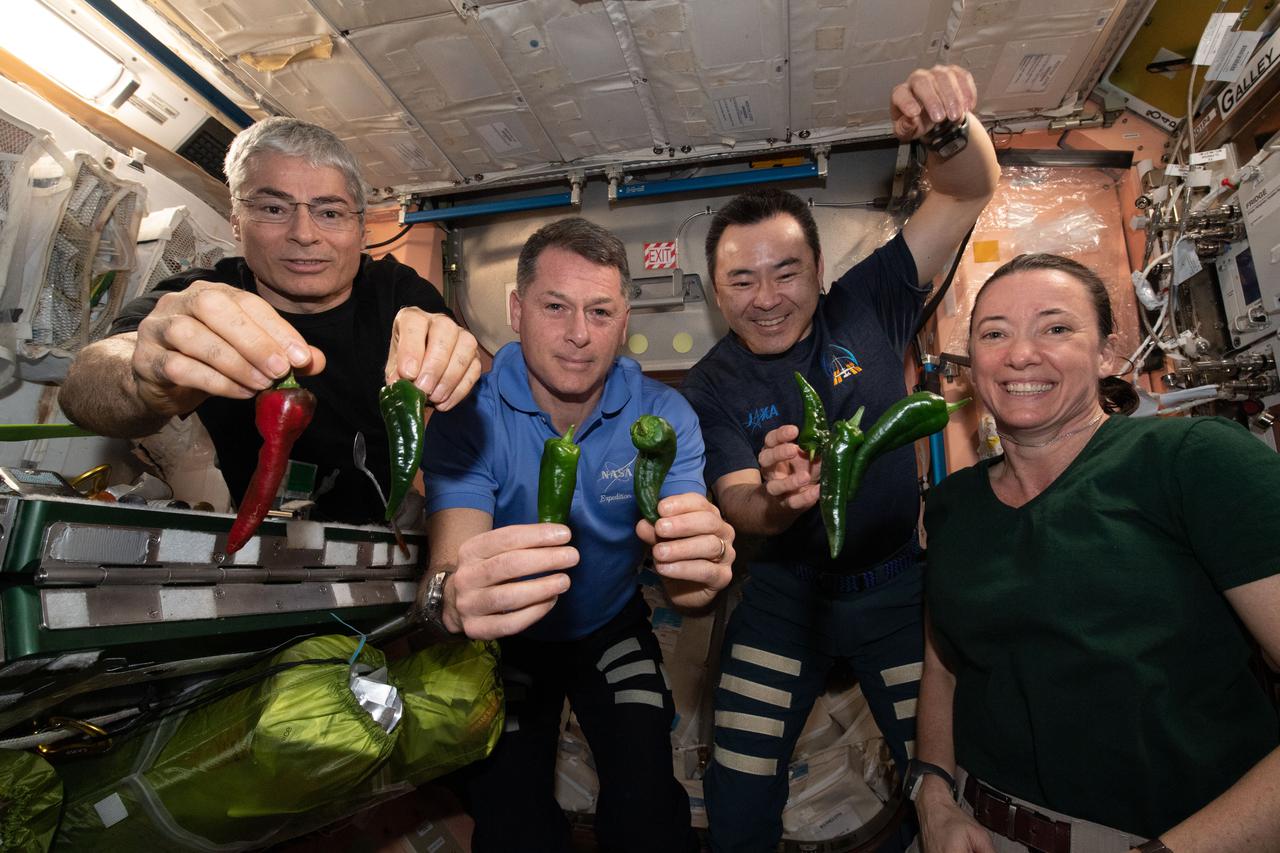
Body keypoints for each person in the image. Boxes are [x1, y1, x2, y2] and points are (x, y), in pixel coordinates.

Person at [680, 65, 1000, 852]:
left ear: (818, 273)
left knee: (948, 781)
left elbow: (965, 193)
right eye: (742, 280)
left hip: (899, 592)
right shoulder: (710, 383)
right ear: (718, 294)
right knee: (738, 791)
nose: (767, 296)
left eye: (786, 271)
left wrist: (947, 130)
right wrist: (779, 499)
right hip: (783, 600)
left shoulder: (866, 300)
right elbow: (735, 497)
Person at [914, 254, 1280, 853]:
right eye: (994, 333)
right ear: (972, 363)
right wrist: (931, 793)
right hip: (976, 827)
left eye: (1056, 328)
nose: (1021, 354)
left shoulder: (1195, 460)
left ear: (1108, 353)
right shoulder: (953, 506)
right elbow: (943, 667)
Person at [415, 217, 735, 853]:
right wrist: (447, 599)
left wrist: (703, 569)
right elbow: (445, 571)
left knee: (648, 805)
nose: (578, 335)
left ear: (624, 322)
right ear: (516, 309)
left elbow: (688, 588)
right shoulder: (468, 418)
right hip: (506, 642)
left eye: (600, 311)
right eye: (555, 306)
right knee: (508, 818)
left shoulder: (663, 415)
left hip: (609, 626)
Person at [60, 117, 481, 523]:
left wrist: (450, 355)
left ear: (361, 228)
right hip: (263, 518)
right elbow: (86, 387)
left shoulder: (395, 289)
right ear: (236, 223)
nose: (304, 233)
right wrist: (142, 379)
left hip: (390, 512)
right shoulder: (200, 296)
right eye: (274, 208)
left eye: (330, 212)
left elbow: (451, 350)